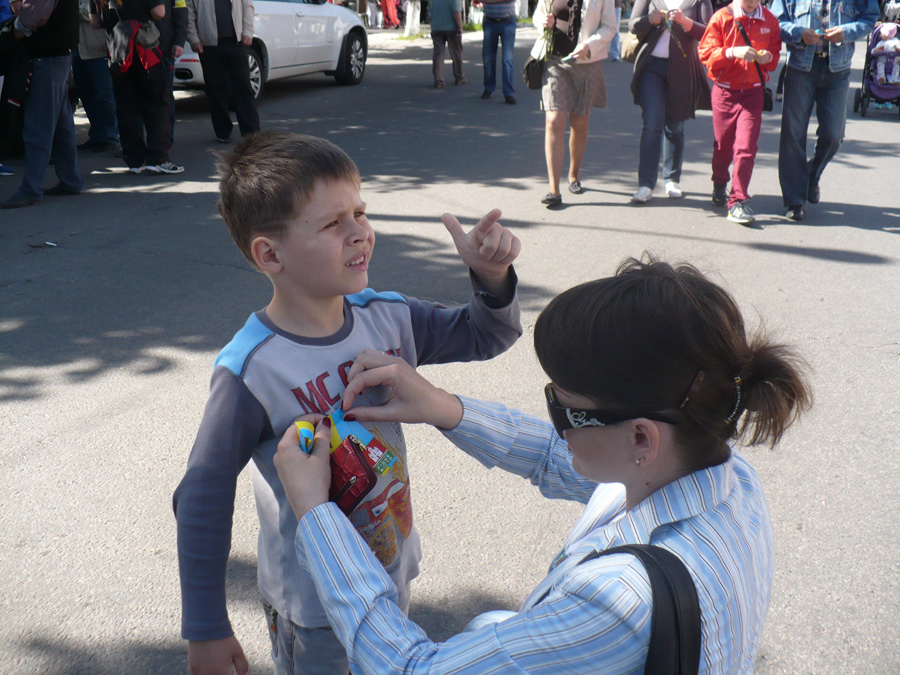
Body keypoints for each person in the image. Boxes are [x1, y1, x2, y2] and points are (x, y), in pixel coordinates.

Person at [273, 254, 812, 674]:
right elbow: (559, 457)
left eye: (563, 407)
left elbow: (410, 668)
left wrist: (317, 515)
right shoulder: (723, 474)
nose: (554, 419)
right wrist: (444, 407)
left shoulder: (617, 605)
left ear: (641, 437)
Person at [173, 131, 523, 675]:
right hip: (317, 609)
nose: (360, 232)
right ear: (270, 254)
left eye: (360, 212)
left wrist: (492, 276)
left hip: (388, 575)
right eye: (333, 223)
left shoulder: (389, 317)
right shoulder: (252, 369)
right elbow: (203, 493)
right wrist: (206, 628)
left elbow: (486, 334)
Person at [770, 0, 878, 221]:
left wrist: (846, 33)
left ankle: (812, 174)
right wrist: (799, 33)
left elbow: (870, 18)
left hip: (838, 71)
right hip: (800, 67)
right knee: (793, 134)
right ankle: (795, 200)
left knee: (834, 135)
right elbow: (776, 22)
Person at [698, 0, 781, 226]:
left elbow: (774, 55)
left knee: (746, 147)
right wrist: (733, 52)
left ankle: (737, 201)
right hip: (725, 92)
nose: (752, 2)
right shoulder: (722, 17)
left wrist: (767, 58)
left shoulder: (770, 20)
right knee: (723, 146)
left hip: (753, 93)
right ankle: (719, 181)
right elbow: (705, 53)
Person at [1, 0, 84, 209]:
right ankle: (71, 180)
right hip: (57, 54)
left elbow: (34, 15)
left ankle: (31, 189)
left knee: (38, 126)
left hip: (47, 56)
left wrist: (13, 30)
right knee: (61, 126)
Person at [533, 0, 616, 207]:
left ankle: (573, 174)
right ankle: (554, 190)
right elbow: (538, 14)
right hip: (555, 61)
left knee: (579, 123)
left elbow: (610, 27)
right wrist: (543, 22)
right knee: (554, 121)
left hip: (587, 63)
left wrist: (589, 46)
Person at [629, 0, 712, 204]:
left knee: (675, 125)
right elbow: (632, 25)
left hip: (682, 69)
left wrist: (686, 22)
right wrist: (649, 19)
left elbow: (709, 32)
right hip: (651, 68)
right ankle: (646, 184)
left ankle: (672, 179)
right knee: (652, 124)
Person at [91, 0, 185, 175]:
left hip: (118, 47)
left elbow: (95, 22)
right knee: (158, 102)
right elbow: (159, 12)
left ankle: (134, 160)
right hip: (143, 45)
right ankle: (158, 159)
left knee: (126, 105)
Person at [186, 0, 259, 143]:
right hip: (208, 44)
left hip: (236, 42)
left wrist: (248, 31)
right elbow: (189, 12)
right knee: (215, 89)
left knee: (243, 87)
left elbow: (248, 7)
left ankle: (251, 132)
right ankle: (223, 131)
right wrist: (193, 38)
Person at [73, 0, 119, 154]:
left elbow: (102, 14)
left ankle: (109, 136)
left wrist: (72, 9)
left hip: (98, 49)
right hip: (77, 48)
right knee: (86, 94)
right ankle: (97, 135)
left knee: (103, 95)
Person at [157, 0, 187, 148]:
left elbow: (181, 11)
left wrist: (179, 41)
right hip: (137, 49)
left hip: (164, 47)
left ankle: (165, 142)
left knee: (164, 97)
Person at [479, 0, 518, 104]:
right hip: (490, 22)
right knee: (488, 58)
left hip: (508, 21)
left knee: (507, 59)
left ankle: (509, 93)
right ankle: (489, 87)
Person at [430, 0, 465, 87]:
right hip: (452, 28)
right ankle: (459, 77)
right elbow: (456, 11)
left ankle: (439, 80)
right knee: (456, 53)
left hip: (436, 27)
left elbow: (430, 10)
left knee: (438, 54)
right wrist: (460, 27)